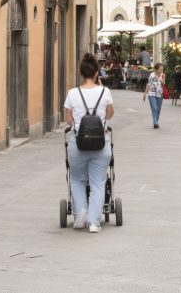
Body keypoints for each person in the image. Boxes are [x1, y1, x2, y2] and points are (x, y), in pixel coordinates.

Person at [63, 54, 114, 233]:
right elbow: (109, 115)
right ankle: (93, 223)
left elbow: (69, 120)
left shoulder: (72, 93)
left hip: (78, 142)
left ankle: (80, 214)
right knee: (98, 183)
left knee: (77, 179)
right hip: (100, 143)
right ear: (96, 73)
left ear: (81, 72)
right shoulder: (105, 91)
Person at [143, 63, 165, 128]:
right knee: (154, 108)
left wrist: (162, 82)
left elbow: (163, 85)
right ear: (156, 69)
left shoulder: (163, 75)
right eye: (160, 69)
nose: (162, 70)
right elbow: (148, 84)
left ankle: (156, 122)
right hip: (151, 93)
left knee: (158, 109)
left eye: (162, 69)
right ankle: (155, 122)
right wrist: (145, 93)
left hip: (159, 94)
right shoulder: (152, 75)